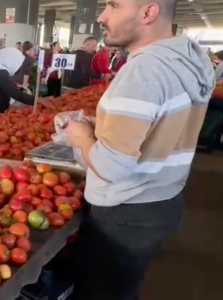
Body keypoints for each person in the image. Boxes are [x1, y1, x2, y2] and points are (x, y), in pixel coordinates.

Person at [65, 0, 214, 299]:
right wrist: (107, 127)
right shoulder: (189, 61)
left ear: (148, 12)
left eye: (113, 6)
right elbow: (162, 125)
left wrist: (80, 135)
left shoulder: (142, 70)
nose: (102, 16)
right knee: (124, 289)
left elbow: (112, 168)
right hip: (162, 198)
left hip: (125, 212)